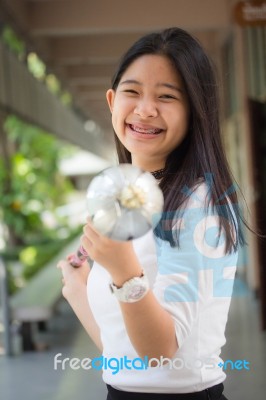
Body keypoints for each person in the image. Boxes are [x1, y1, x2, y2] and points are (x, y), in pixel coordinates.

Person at [57, 27, 245, 399]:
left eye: (166, 96)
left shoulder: (198, 203)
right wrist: (78, 292)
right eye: (132, 92)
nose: (144, 109)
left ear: (196, 112)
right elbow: (124, 358)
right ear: (112, 101)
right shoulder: (132, 195)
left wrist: (123, 269)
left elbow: (159, 355)